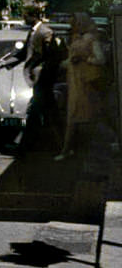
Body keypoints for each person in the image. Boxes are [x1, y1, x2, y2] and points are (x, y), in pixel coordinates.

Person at [1, 6, 59, 155]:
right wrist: (7, 63)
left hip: (42, 78)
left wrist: (45, 72)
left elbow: (52, 56)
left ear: (34, 16)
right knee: (46, 113)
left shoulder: (45, 32)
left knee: (37, 113)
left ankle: (25, 147)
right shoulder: (33, 32)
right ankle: (54, 145)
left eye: (25, 15)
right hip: (37, 79)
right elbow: (24, 53)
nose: (23, 19)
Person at [56, 12, 110, 161]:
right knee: (77, 116)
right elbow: (70, 60)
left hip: (85, 82)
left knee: (83, 115)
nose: (72, 26)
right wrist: (60, 65)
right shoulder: (76, 38)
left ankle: (67, 150)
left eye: (75, 23)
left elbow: (100, 59)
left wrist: (85, 59)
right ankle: (69, 149)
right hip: (75, 81)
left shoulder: (91, 39)